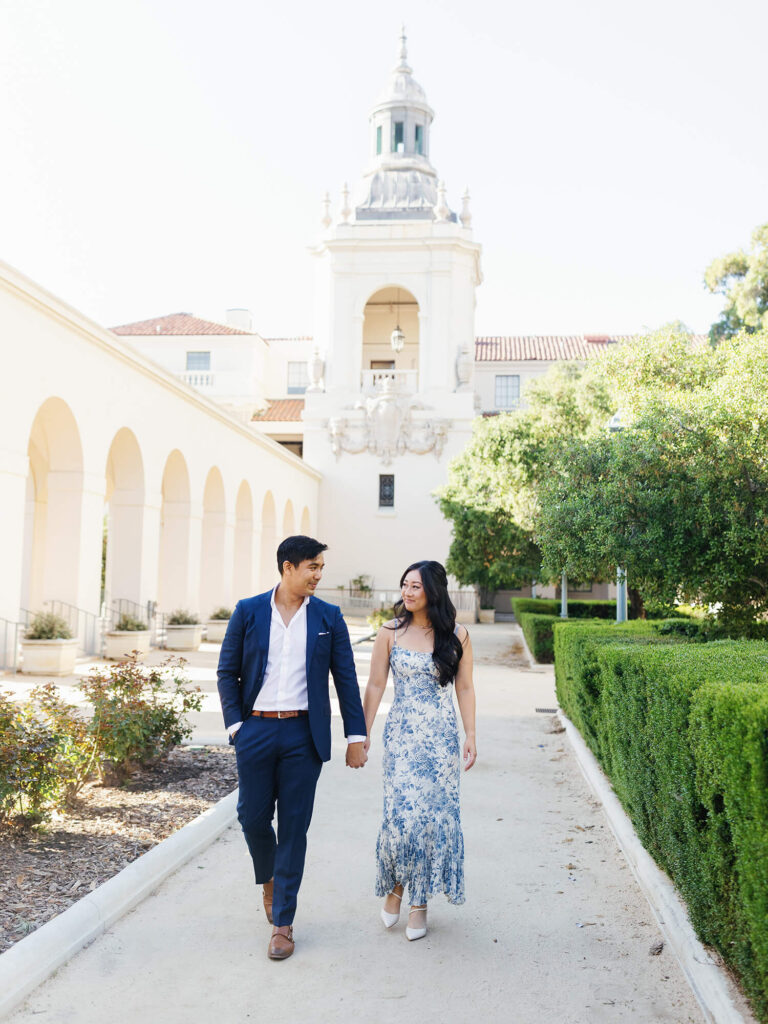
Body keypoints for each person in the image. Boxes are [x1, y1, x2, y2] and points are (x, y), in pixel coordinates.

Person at [217, 535, 367, 961]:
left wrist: (355, 737)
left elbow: (345, 679)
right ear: (287, 568)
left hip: (304, 735)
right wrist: (236, 727)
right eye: (312, 567)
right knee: (251, 817)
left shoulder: (328, 617)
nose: (318, 575)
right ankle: (269, 879)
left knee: (294, 828)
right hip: (256, 731)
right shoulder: (248, 612)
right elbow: (227, 672)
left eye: (321, 567)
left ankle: (283, 921)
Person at [362, 560, 476, 941]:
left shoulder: (456, 635)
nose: (407, 593)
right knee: (402, 816)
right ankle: (396, 885)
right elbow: (376, 685)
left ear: (434, 592)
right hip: (403, 736)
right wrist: (363, 732)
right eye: (404, 585)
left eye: (416, 587)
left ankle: (419, 902)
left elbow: (464, 688)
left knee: (429, 819)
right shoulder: (389, 632)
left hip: (440, 738)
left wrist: (470, 733)